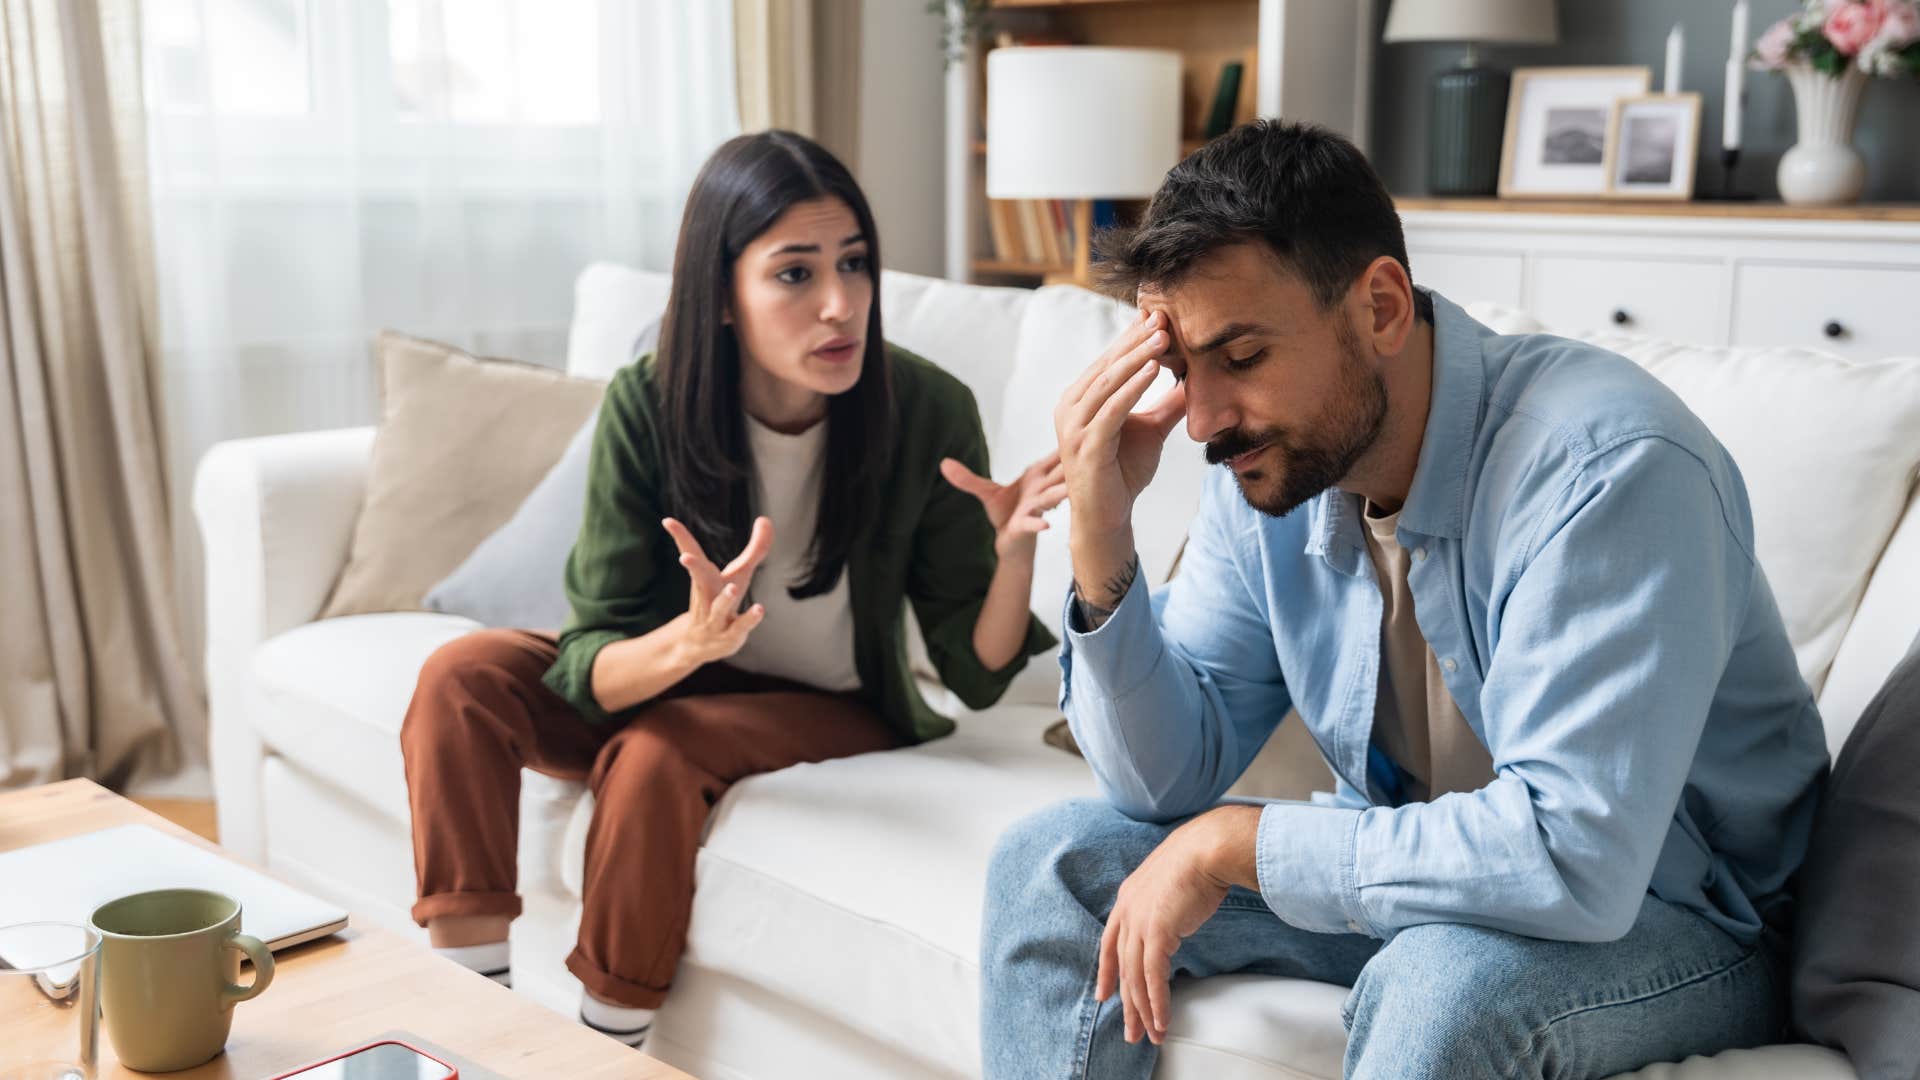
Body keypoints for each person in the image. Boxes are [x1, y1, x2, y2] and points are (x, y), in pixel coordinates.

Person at [980, 120, 1829, 1079]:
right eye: (1185, 373)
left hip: (1682, 920)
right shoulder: (1267, 475)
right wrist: (1101, 538)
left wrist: (1239, 843)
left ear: (1381, 306)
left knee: (1443, 979)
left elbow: (1574, 861)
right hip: (1427, 881)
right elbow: (1160, 783)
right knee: (1052, 863)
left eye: (1243, 356)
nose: (1205, 423)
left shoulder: (1611, 468)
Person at [402, 130, 1058, 1047]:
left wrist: (1017, 553)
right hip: (667, 672)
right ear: (720, 295)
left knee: (660, 751)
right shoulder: (651, 403)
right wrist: (688, 645)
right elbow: (591, 659)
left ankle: (603, 1055)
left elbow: (977, 671)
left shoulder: (927, 410)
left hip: (828, 702)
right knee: (460, 678)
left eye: (856, 265)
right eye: (795, 274)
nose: (841, 305)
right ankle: (465, 1030)